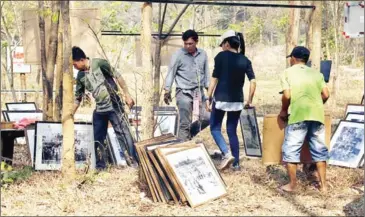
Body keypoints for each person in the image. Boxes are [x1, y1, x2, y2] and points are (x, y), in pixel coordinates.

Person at [72, 46, 138, 170]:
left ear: (81, 60)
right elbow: (78, 97)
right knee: (97, 138)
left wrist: (127, 95)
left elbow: (118, 77)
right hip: (100, 109)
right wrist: (71, 115)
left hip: (114, 105)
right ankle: (100, 166)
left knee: (123, 133)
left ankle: (133, 163)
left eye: (75, 64)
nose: (74, 68)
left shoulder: (99, 63)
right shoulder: (80, 76)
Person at [279, 46, 330, 192]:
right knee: (319, 151)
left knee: (291, 150)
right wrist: (317, 105)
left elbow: (287, 95)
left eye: (290, 58)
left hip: (298, 116)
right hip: (317, 116)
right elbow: (326, 94)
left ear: (293, 58)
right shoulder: (316, 74)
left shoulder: (287, 73)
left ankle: (293, 185)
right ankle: (324, 186)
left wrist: (283, 110)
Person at [205, 30, 256, 171]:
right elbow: (253, 81)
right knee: (232, 131)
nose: (222, 47)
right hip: (237, 101)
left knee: (215, 128)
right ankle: (236, 163)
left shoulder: (221, 56)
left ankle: (226, 153)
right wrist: (249, 100)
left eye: (222, 44)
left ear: (227, 43)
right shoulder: (245, 60)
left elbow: (214, 78)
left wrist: (208, 97)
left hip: (220, 99)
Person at [164, 29, 210, 141]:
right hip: (183, 92)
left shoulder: (203, 54)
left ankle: (189, 134)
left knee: (208, 117)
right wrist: (167, 90)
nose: (188, 46)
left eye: (190, 44)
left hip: (199, 93)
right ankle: (182, 148)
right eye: (185, 44)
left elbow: (207, 74)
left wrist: (210, 93)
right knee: (184, 123)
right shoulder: (178, 55)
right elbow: (171, 72)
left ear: (196, 42)